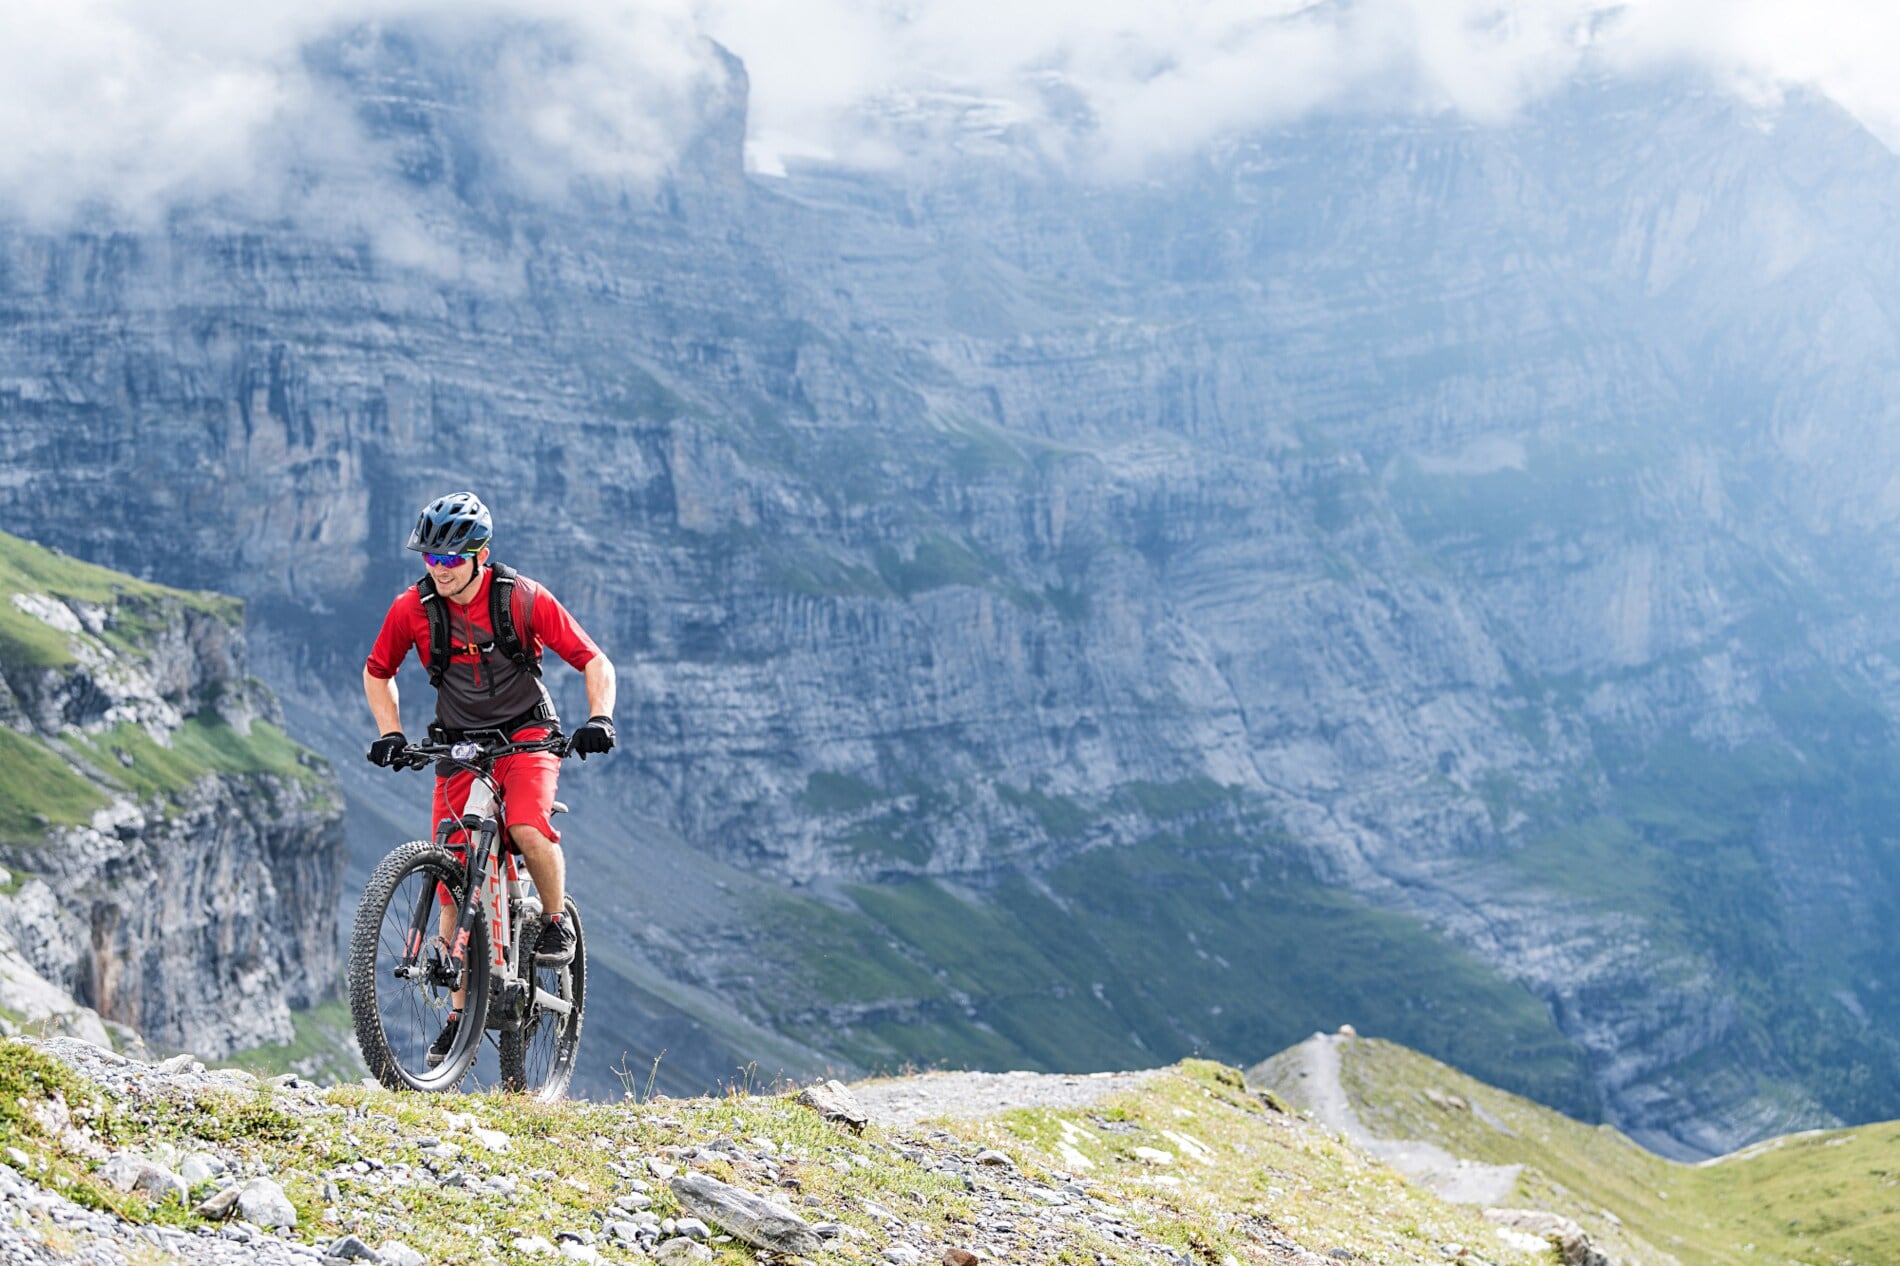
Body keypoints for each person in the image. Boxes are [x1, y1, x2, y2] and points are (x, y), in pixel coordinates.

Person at [362, 490, 616, 1064]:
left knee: (527, 826)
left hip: (528, 736)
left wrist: (599, 718)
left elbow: (594, 660)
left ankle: (553, 924)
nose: (439, 570)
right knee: (454, 869)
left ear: (481, 554)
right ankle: (460, 1014)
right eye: (430, 559)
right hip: (459, 743)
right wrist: (392, 731)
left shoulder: (522, 598)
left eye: (451, 560)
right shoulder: (414, 608)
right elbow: (378, 672)